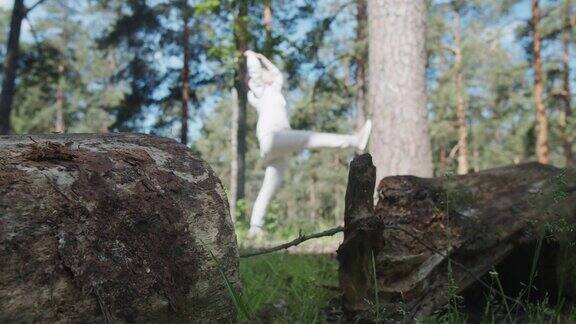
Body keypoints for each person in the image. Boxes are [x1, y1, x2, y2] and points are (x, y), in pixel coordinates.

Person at [244, 50, 372, 237]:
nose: (269, 73)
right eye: (265, 72)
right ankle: (354, 140)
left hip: (277, 145)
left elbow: (278, 74)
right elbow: (255, 71)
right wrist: (251, 55)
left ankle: (255, 227)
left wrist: (264, 59)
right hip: (273, 137)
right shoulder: (259, 90)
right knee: (310, 137)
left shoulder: (274, 90)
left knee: (270, 185)